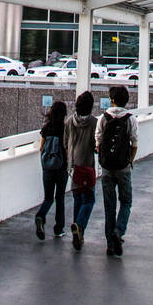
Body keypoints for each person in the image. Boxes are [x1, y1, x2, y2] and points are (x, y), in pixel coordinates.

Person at [96, 87, 137, 257]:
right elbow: (134, 143)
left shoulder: (103, 118)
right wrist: (130, 161)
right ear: (126, 100)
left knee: (109, 206)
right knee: (126, 202)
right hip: (123, 167)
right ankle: (118, 232)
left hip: (106, 167)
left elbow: (97, 141)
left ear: (112, 99)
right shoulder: (130, 119)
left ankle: (109, 245)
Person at [64, 91, 98, 251]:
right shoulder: (94, 122)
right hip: (87, 165)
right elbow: (96, 145)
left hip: (74, 166)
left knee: (78, 199)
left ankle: (77, 235)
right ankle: (80, 226)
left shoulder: (70, 121)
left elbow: (65, 143)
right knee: (89, 199)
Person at [35, 100, 69, 240]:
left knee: (48, 198)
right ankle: (58, 229)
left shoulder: (46, 127)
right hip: (61, 168)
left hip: (47, 168)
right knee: (60, 198)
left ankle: (40, 216)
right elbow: (66, 149)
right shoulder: (65, 128)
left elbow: (41, 148)